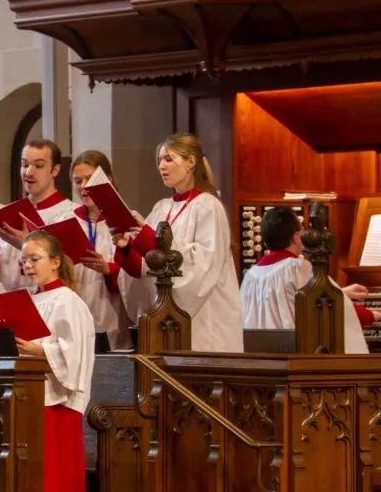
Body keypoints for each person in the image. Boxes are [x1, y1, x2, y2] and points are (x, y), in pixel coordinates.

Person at [113, 134, 243, 352]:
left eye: (168, 159)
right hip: (166, 325)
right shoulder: (161, 208)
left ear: (191, 162)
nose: (161, 166)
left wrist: (146, 237)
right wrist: (127, 250)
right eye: (159, 161)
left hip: (205, 324)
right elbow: (148, 272)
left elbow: (202, 266)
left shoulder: (208, 206)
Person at [13, 231, 94, 492]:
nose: (28, 266)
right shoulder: (29, 298)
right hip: (30, 395)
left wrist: (39, 350)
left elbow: (76, 353)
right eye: (24, 261)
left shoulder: (67, 301)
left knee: (55, 478)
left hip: (57, 400)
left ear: (56, 262)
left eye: (35, 259)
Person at [240, 206, 373, 351]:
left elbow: (287, 298)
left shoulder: (251, 275)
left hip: (260, 354)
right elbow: (330, 305)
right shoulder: (296, 268)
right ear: (296, 237)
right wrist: (373, 314)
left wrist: (342, 292)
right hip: (293, 352)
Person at [0, 140, 79, 291]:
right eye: (25, 165)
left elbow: (71, 273)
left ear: (55, 170)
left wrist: (26, 245)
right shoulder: (9, 212)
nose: (29, 172)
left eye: (38, 166)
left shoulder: (71, 215)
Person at [68, 151, 134, 350]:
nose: (84, 187)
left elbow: (141, 275)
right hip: (75, 313)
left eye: (89, 179)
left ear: (109, 180)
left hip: (113, 315)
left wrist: (109, 269)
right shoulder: (65, 220)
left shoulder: (128, 220)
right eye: (78, 181)